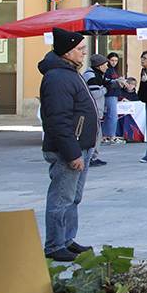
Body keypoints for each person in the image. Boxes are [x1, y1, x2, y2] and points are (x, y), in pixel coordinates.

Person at [39, 28, 98, 262]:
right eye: (81, 49)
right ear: (67, 52)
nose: (85, 53)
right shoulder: (58, 77)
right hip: (68, 149)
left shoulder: (69, 72)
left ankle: (66, 240)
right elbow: (59, 119)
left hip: (79, 146)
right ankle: (54, 244)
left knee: (72, 197)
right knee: (61, 197)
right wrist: (73, 153)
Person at [81, 54, 109, 167]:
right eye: (105, 65)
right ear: (100, 66)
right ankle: (90, 157)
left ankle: (93, 156)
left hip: (97, 109)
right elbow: (94, 93)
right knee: (95, 135)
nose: (107, 67)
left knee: (98, 134)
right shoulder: (91, 76)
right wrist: (106, 88)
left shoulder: (98, 75)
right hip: (92, 109)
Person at [100, 51, 123, 141]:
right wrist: (118, 81)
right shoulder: (108, 70)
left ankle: (104, 135)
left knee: (110, 115)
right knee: (113, 115)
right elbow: (108, 82)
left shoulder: (115, 70)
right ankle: (112, 136)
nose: (114, 62)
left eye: (116, 60)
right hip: (110, 94)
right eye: (112, 60)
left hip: (115, 93)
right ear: (108, 60)